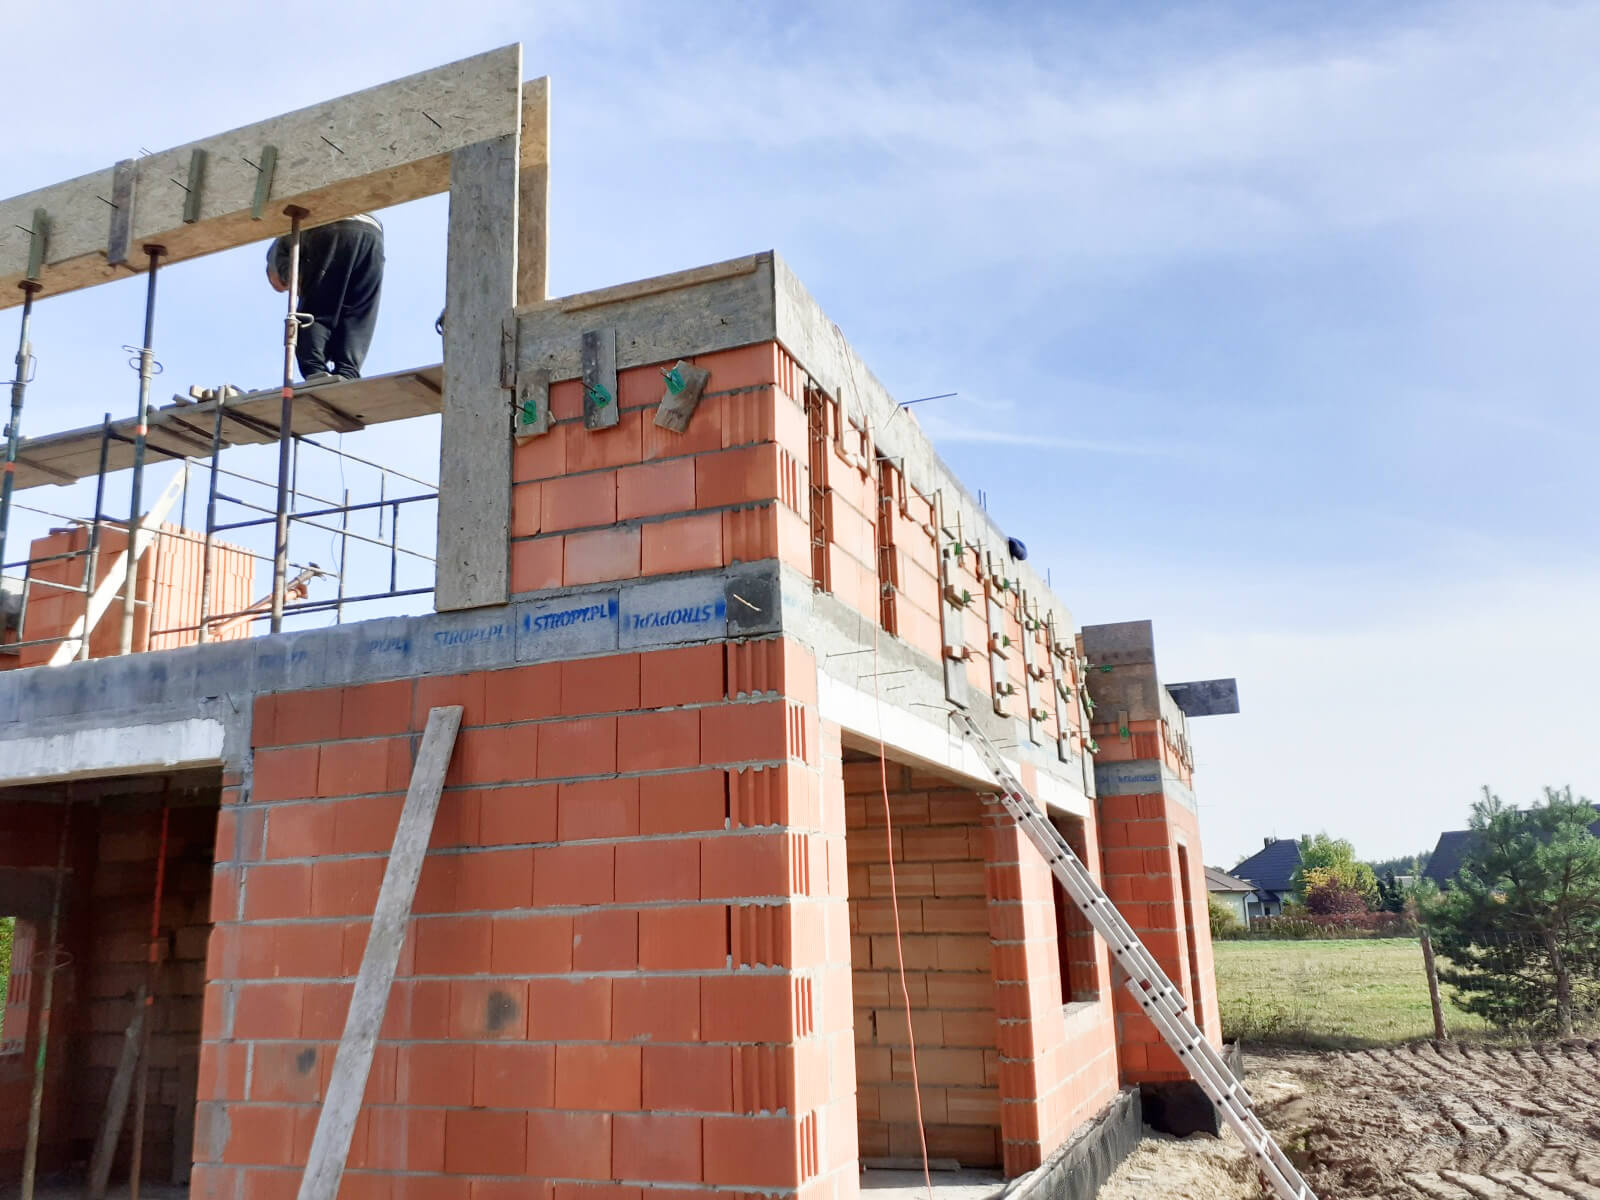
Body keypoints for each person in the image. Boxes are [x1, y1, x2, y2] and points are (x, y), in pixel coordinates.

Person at [266, 213, 384, 382]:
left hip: (328, 225)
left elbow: (278, 278)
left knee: (315, 312)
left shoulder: (278, 251)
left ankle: (315, 370)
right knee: (356, 314)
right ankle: (348, 372)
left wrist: (302, 287)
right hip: (372, 233)